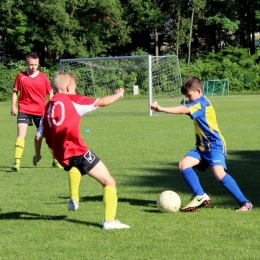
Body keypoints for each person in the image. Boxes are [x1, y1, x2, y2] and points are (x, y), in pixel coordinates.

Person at [33, 71, 130, 230]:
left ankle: (74, 198)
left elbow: (38, 137)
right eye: (75, 88)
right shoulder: (72, 100)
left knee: (74, 168)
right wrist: (118, 95)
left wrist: (37, 156)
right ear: (68, 87)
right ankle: (109, 221)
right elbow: (103, 102)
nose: (76, 91)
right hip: (77, 151)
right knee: (109, 182)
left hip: (61, 156)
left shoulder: (47, 107)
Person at [150, 76, 253, 212]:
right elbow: (187, 107)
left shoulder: (202, 103)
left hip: (215, 145)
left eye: (189, 95)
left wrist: (162, 109)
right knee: (183, 164)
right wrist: (186, 103)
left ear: (198, 91)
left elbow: (183, 110)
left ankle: (245, 203)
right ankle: (200, 195)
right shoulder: (196, 103)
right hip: (201, 147)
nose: (187, 99)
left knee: (218, 172)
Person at [10, 52, 62, 171]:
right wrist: (13, 106)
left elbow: (50, 92)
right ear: (26, 64)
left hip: (40, 111)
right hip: (24, 109)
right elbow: (14, 92)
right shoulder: (20, 76)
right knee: (20, 134)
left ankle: (55, 161)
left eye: (35, 65)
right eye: (30, 65)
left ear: (38, 64)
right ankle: (16, 162)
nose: (33, 67)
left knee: (48, 137)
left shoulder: (43, 77)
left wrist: (52, 106)